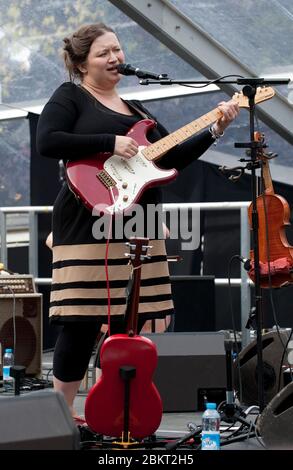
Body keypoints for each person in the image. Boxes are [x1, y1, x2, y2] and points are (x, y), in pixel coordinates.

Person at [36, 22, 239, 418]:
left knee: (132, 321)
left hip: (139, 221)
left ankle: (110, 411)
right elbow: (47, 141)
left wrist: (215, 128)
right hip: (86, 219)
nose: (115, 58)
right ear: (81, 64)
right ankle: (59, 418)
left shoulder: (137, 112)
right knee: (81, 321)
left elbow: (172, 157)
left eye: (117, 49)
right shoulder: (71, 97)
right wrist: (108, 142)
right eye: (103, 53)